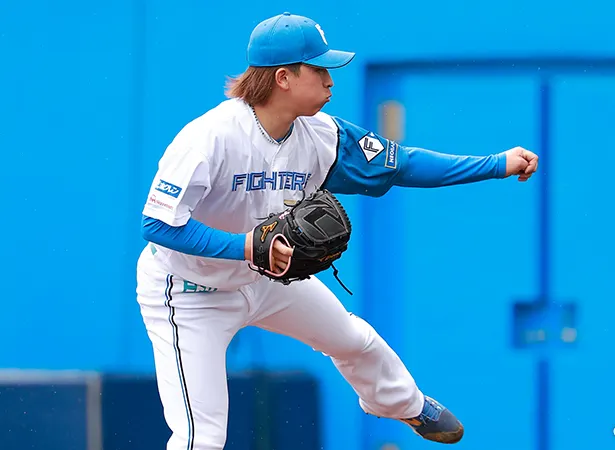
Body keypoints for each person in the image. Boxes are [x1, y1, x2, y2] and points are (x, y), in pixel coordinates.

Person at [136, 11, 538, 450]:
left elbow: (402, 164)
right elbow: (157, 223)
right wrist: (245, 247)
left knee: (353, 339)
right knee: (203, 436)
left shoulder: (322, 134)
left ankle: (405, 404)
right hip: (190, 291)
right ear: (284, 77)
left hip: (264, 275)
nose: (330, 81)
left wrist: (495, 164)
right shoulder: (210, 137)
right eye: (319, 69)